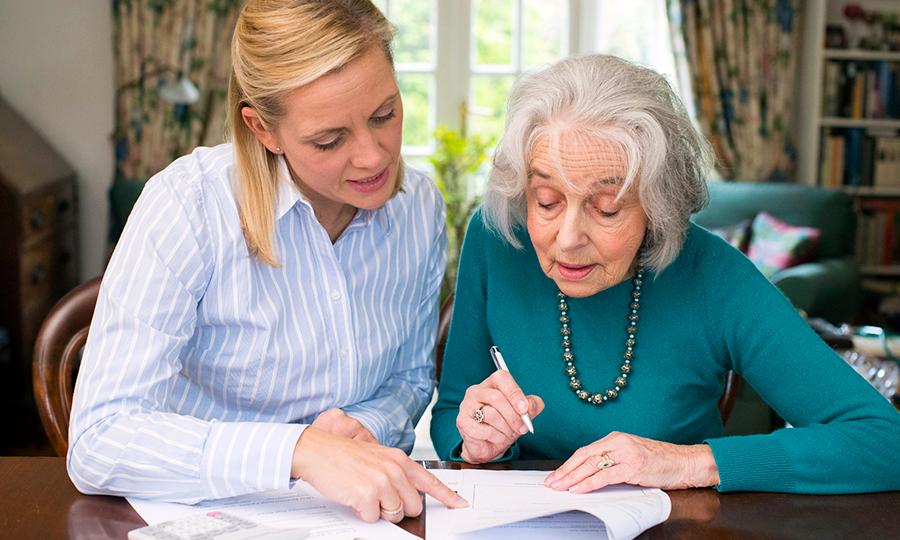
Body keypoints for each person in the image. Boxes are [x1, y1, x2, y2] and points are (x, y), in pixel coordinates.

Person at [68, 0, 467, 522]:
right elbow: (100, 440)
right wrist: (298, 450)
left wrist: (361, 429)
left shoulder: (419, 206)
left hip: (354, 515)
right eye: (329, 140)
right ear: (263, 129)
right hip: (203, 515)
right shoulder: (188, 206)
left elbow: (409, 380)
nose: (373, 157)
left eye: (384, 115)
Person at [431, 54, 900, 494]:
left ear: (659, 207)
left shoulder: (713, 275)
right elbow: (453, 412)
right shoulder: (497, 239)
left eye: (608, 208)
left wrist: (685, 462)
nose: (568, 237)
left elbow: (884, 442)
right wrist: (477, 439)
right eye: (547, 201)